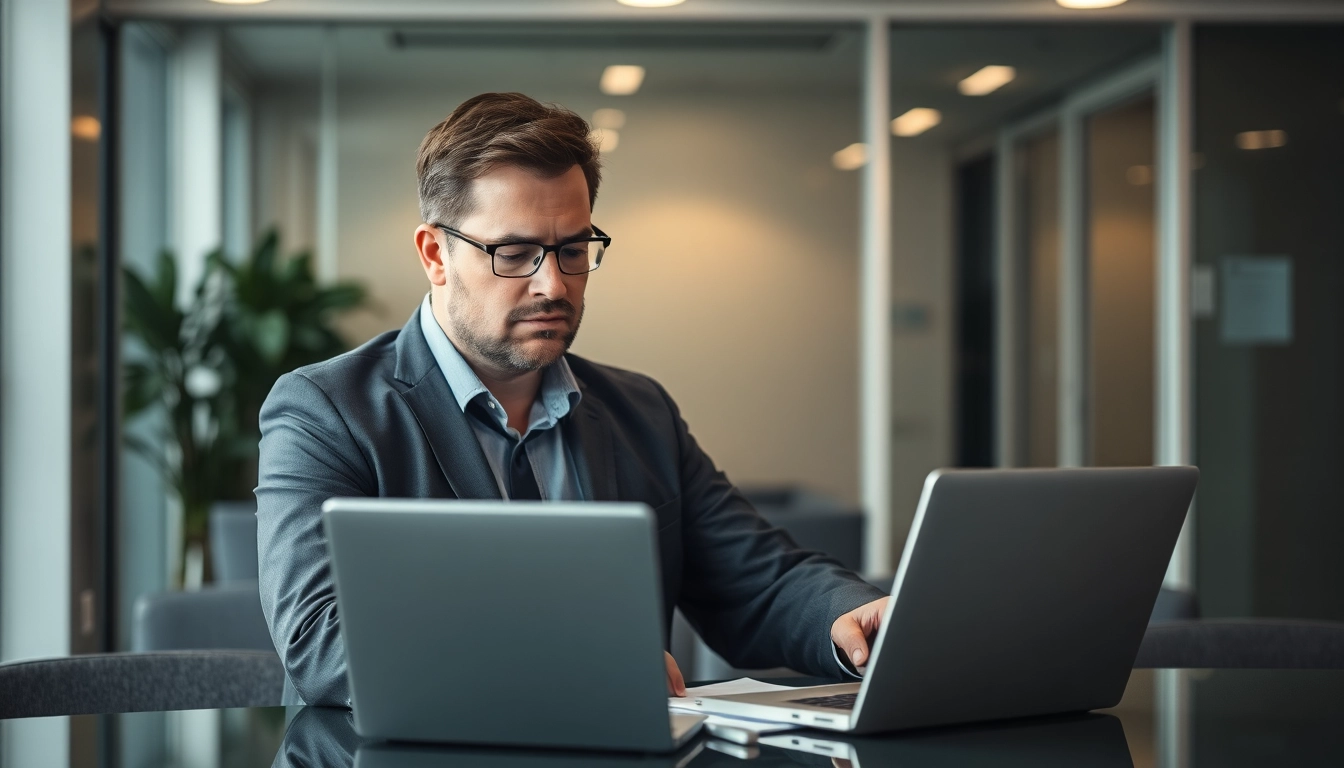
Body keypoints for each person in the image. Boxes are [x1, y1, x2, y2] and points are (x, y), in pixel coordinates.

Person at [256, 92, 889, 707]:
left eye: (573, 249)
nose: (553, 283)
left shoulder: (640, 411)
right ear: (434, 254)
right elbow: (319, 639)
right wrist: (575, 659)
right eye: (515, 253)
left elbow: (759, 581)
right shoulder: (326, 411)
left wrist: (856, 616)